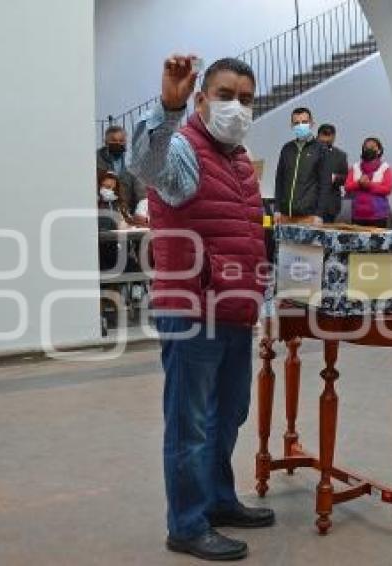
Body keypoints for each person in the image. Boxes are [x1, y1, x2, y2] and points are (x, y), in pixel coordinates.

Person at [130, 55, 272, 561]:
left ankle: (217, 499)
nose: (237, 106)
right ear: (200, 99)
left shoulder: (238, 160)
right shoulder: (185, 149)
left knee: (228, 414)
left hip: (234, 309)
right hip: (192, 310)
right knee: (189, 423)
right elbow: (145, 166)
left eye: (247, 99)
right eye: (227, 95)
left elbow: (246, 237)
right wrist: (166, 110)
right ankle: (187, 525)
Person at [273, 106, 332, 224]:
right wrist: (277, 209)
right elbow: (279, 180)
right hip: (284, 216)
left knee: (304, 244)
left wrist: (319, 214)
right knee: (283, 243)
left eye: (304, 122)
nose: (300, 125)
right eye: (296, 123)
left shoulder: (321, 149)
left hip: (309, 217)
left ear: (311, 123)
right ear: (291, 126)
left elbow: (325, 184)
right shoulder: (287, 148)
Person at [344, 137, 392, 228]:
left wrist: (369, 185)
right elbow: (347, 187)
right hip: (358, 215)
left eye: (372, 147)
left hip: (378, 216)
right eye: (366, 147)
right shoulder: (355, 167)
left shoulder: (385, 168)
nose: (369, 149)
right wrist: (359, 183)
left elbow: (387, 189)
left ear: (379, 150)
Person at [97, 125, 147, 213]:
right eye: (113, 141)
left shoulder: (132, 161)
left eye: (121, 141)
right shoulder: (97, 159)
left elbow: (141, 190)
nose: (118, 143)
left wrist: (141, 209)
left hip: (127, 211)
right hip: (102, 212)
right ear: (105, 142)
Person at [316, 123, 348, 224]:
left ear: (334, 137)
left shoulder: (340, 155)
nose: (325, 139)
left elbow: (345, 178)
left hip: (329, 206)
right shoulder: (308, 152)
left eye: (329, 136)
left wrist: (334, 177)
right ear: (318, 135)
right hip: (308, 205)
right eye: (323, 135)